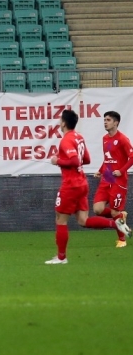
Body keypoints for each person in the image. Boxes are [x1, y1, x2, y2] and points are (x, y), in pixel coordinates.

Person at [46, 110, 131, 265]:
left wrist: (57, 161)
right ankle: (116, 223)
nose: (59, 122)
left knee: (60, 219)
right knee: (84, 220)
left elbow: (74, 161)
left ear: (64, 123)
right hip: (82, 183)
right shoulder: (79, 137)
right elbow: (86, 159)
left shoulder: (66, 140)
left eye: (60, 120)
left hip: (71, 185)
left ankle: (61, 258)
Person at [92, 111, 133, 248]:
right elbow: (108, 159)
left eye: (108, 120)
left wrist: (121, 171)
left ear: (116, 123)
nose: (105, 122)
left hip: (118, 181)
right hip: (106, 179)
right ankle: (120, 216)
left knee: (114, 211)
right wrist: (100, 170)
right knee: (97, 209)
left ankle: (122, 240)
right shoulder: (105, 138)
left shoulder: (122, 139)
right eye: (104, 120)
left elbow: (132, 157)